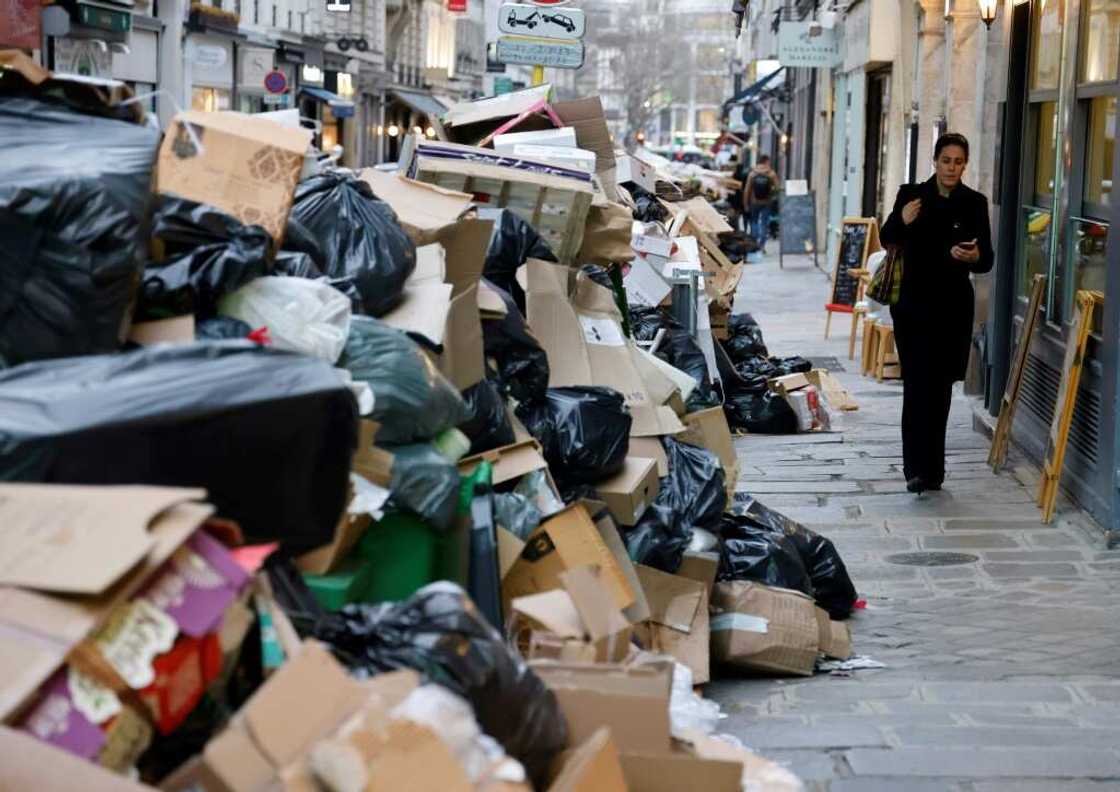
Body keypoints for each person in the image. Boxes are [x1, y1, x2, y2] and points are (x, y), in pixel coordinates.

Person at [880, 132, 994, 495]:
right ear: (935, 161)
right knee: (916, 386)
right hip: (912, 307)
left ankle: (935, 470)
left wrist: (975, 258)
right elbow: (887, 237)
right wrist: (902, 218)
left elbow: (987, 258)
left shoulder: (974, 202)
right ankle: (915, 470)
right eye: (946, 160)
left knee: (941, 388)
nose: (952, 168)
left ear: (965, 165)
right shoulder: (910, 195)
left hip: (952, 309)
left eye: (959, 162)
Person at [743, 155, 779, 250]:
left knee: (754, 222)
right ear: (766, 162)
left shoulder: (752, 174)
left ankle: (755, 243)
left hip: (754, 202)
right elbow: (777, 189)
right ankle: (762, 245)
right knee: (764, 223)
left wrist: (746, 204)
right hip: (767, 202)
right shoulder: (771, 174)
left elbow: (747, 190)